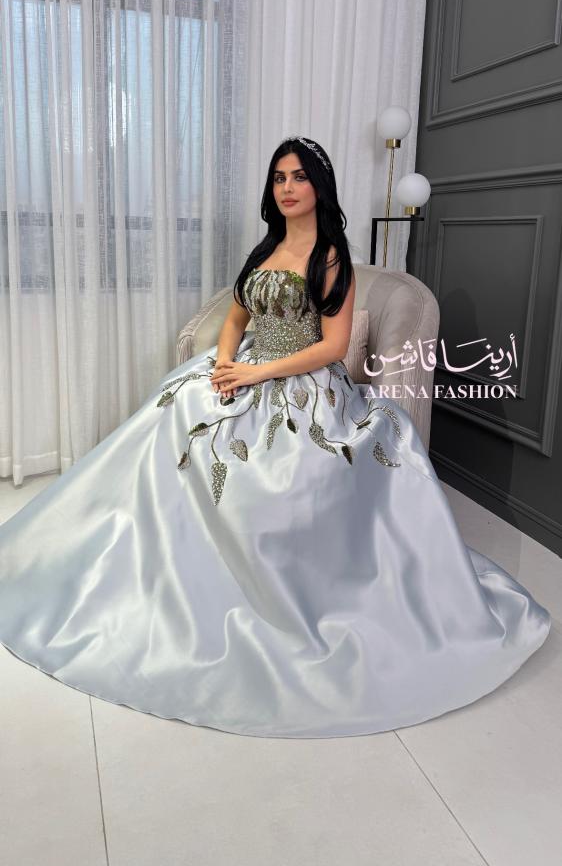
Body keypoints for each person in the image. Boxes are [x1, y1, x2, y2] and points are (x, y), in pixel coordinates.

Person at [0, 136, 551, 739]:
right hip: (245, 367)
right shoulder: (265, 250)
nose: (287, 188)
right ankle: (136, 559)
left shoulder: (331, 256)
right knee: (176, 410)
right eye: (279, 178)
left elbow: (333, 347)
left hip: (303, 386)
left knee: (261, 470)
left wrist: (257, 374)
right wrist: (223, 364)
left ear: (319, 186)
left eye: (298, 177)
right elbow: (236, 317)